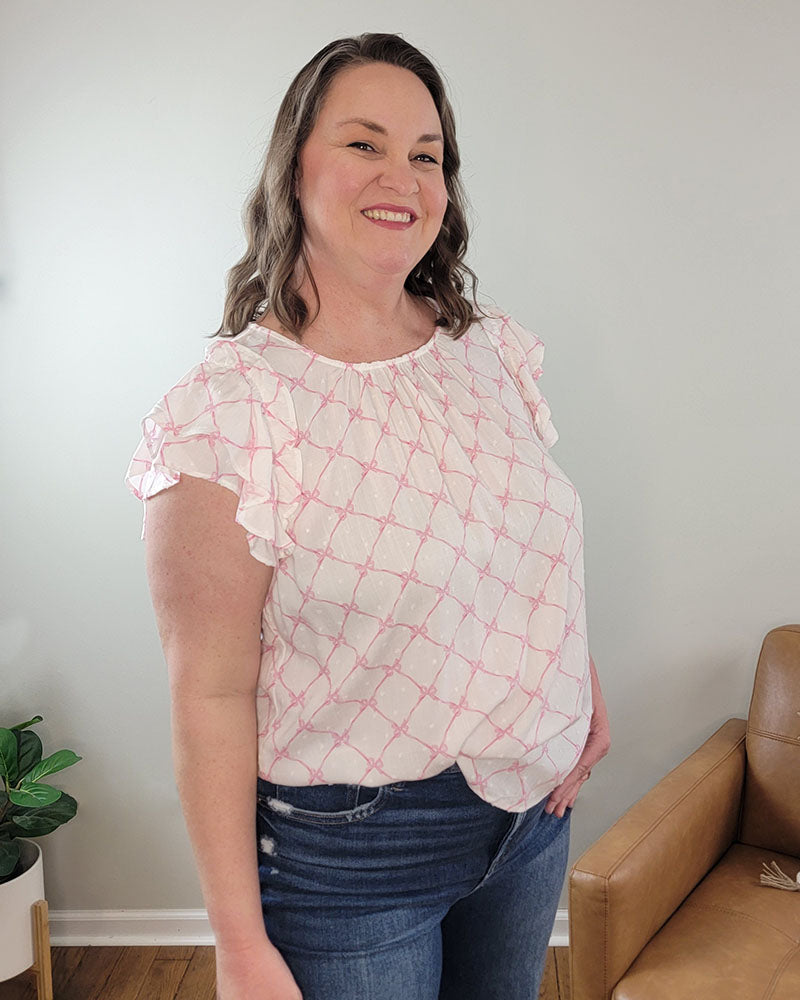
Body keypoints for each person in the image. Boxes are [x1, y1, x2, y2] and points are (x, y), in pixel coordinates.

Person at [125, 31, 610, 1000]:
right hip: (352, 858)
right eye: (364, 142)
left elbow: (518, 549)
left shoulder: (486, 353)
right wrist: (236, 944)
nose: (402, 175)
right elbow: (209, 696)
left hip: (528, 818)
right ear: (292, 164)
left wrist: (576, 691)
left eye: (426, 152)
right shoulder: (228, 412)